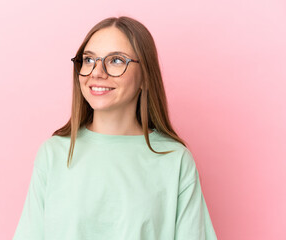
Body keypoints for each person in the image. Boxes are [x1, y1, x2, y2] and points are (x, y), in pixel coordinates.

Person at [13, 16, 218, 240]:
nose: (97, 72)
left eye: (116, 60)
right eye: (89, 60)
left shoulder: (175, 160)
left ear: (145, 77)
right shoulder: (53, 154)